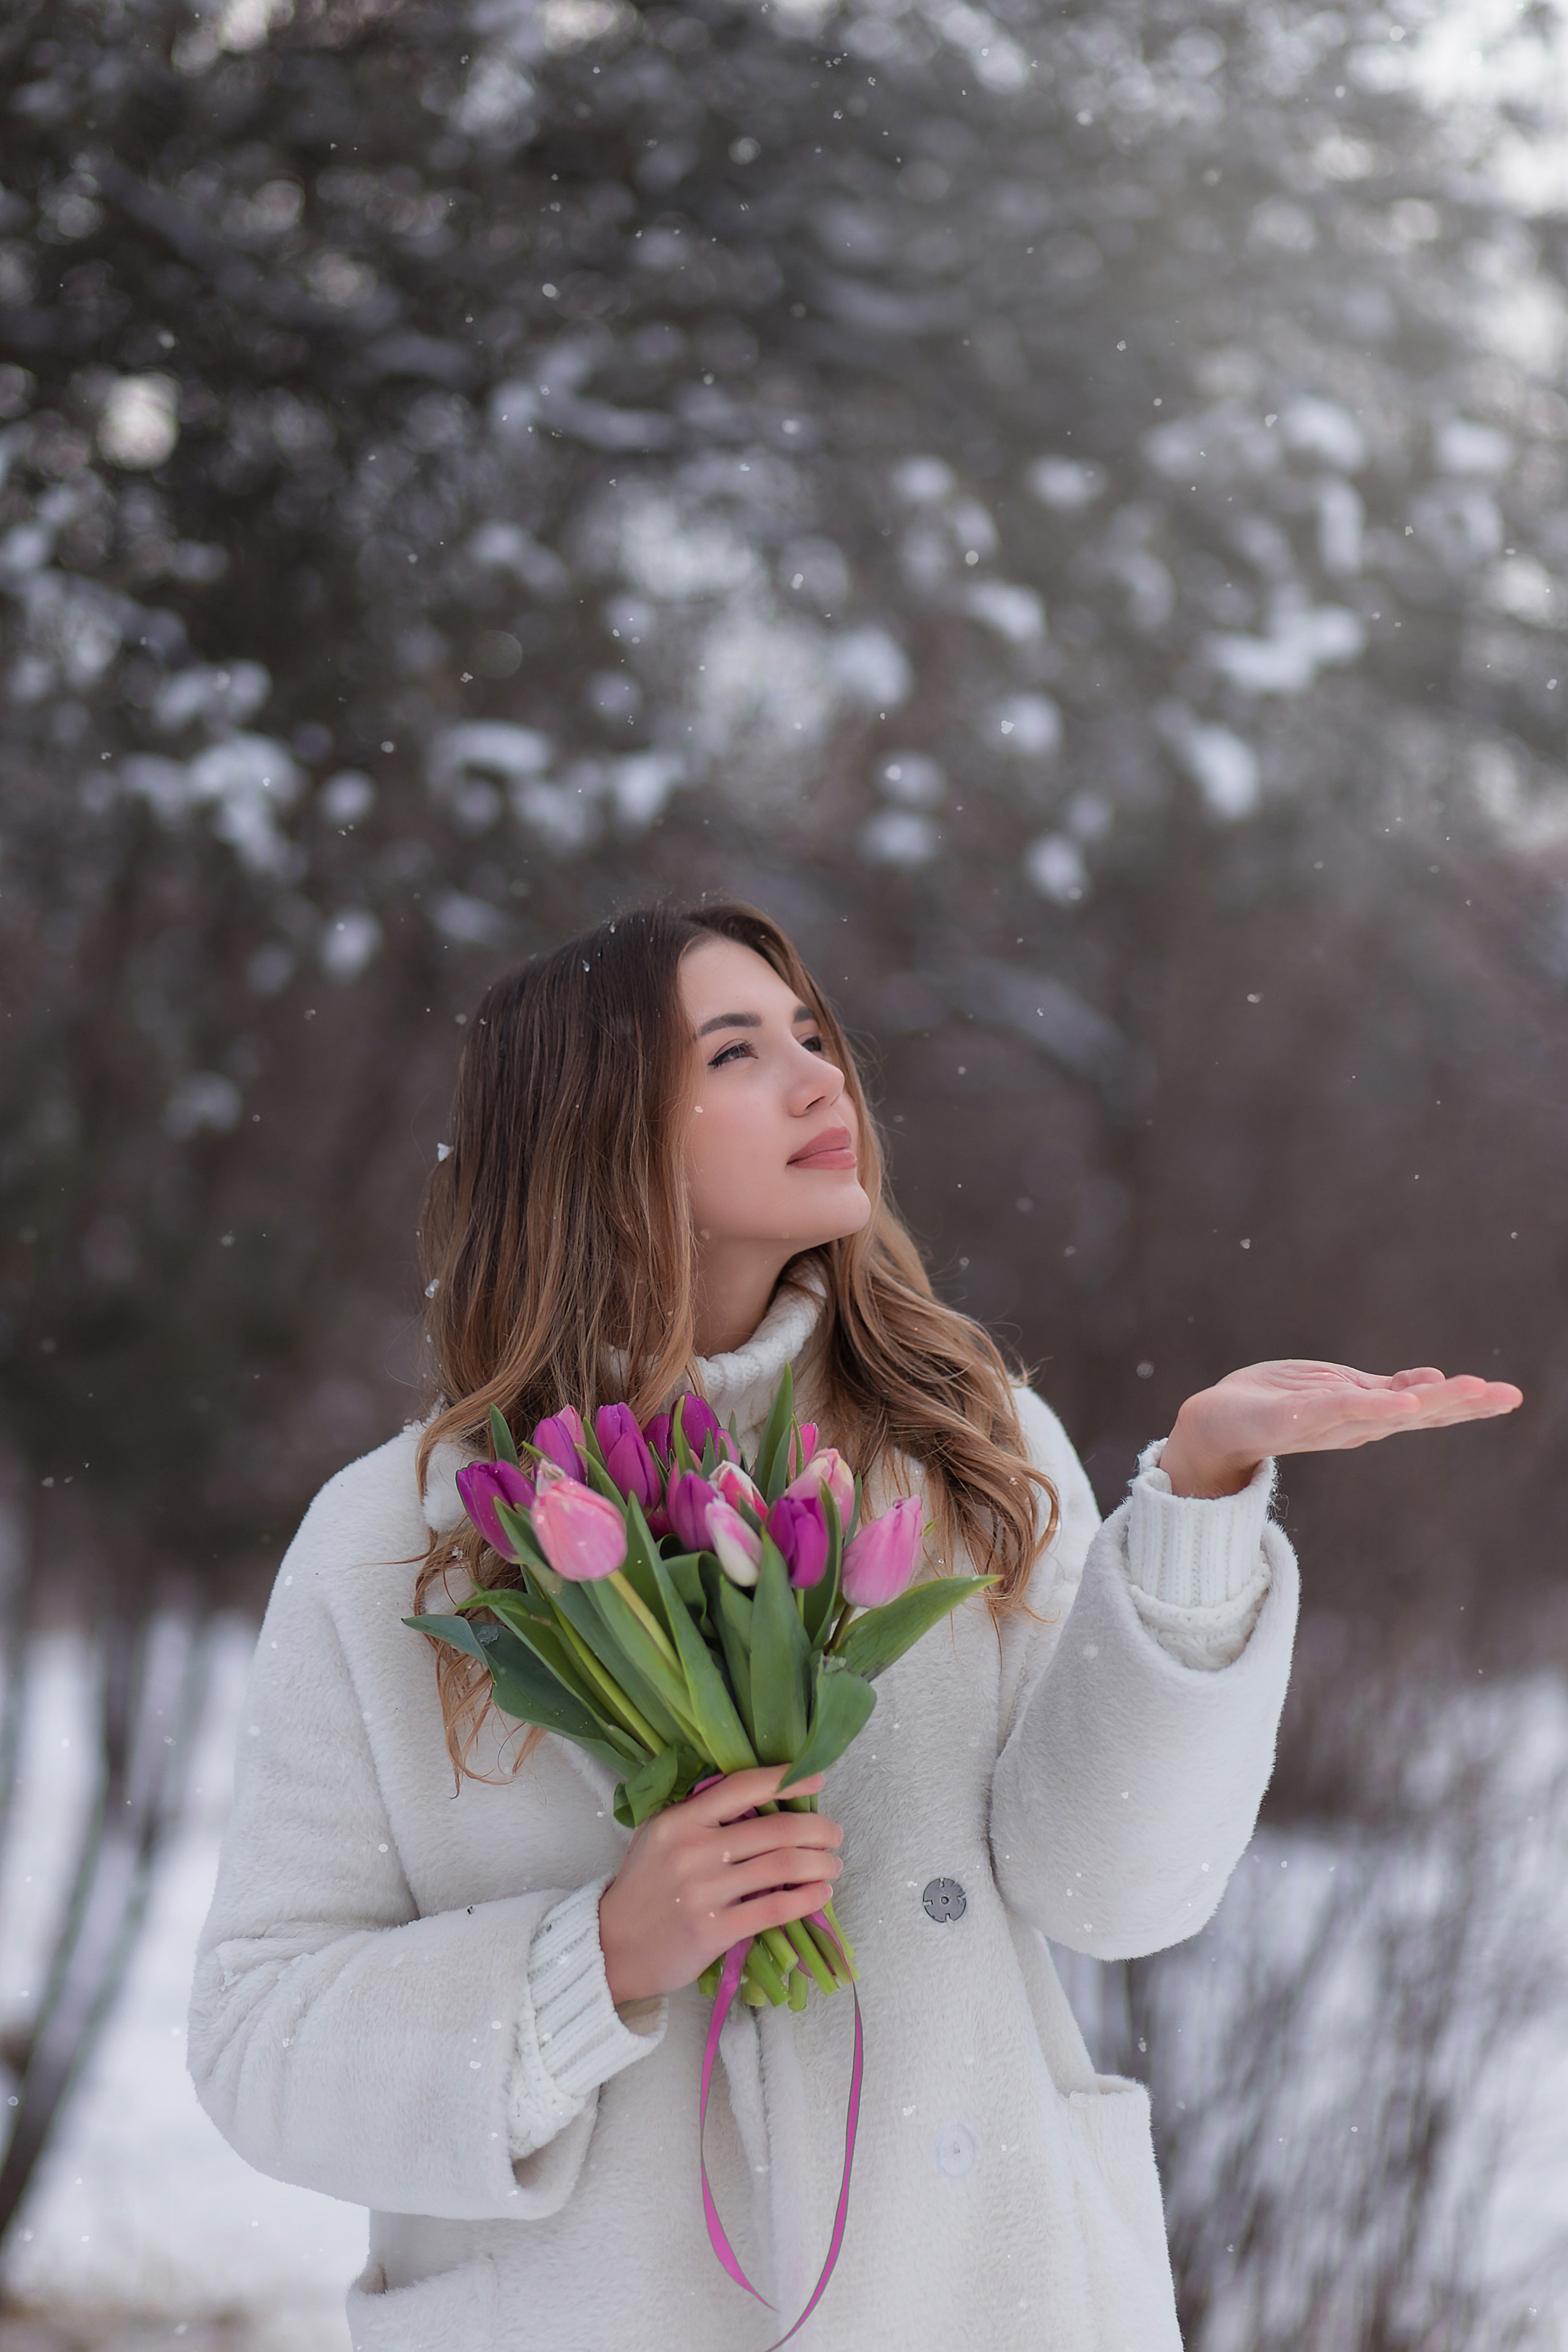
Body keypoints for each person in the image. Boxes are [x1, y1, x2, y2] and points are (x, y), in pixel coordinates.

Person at [187, 899, 1520, 2352]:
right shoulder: (407, 1540)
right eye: (738, 1051)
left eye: (813, 1038)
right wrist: (599, 1961)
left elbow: (1117, 1891)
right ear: (592, 1128)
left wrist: (1197, 1495)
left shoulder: (967, 1451)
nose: (822, 1081)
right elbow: (260, 2037)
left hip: (973, 2298)